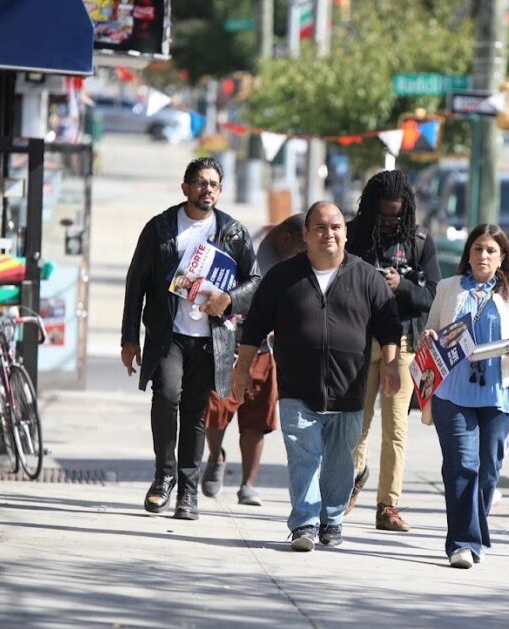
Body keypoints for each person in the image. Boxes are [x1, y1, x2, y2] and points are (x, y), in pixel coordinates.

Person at [232, 202, 402, 552]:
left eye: (336, 227)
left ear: (345, 232)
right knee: (303, 455)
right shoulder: (282, 276)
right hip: (296, 386)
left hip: (349, 388)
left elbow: (389, 327)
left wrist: (389, 365)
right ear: (306, 235)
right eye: (321, 228)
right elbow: (255, 325)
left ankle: (333, 518)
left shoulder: (366, 276)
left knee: (341, 459)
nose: (329, 234)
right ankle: (305, 523)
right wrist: (242, 368)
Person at [121, 157, 260, 520]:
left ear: (221, 191)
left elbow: (256, 281)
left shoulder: (233, 233)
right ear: (185, 188)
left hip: (211, 340)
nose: (207, 190)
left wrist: (228, 299)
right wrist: (129, 338)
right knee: (166, 397)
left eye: (213, 184)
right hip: (169, 335)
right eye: (199, 183)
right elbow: (136, 283)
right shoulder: (161, 228)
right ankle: (163, 475)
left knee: (196, 414)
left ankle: (187, 491)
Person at [420, 224, 509, 569]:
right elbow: (433, 328)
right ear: (468, 254)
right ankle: (462, 543)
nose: (483, 256)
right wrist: (428, 335)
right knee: (461, 465)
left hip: (499, 391)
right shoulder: (449, 287)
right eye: (478, 249)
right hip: (453, 390)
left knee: (488, 470)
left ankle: (474, 526)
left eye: (491, 251)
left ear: (502, 258)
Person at [344, 170, 440, 532]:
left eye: (395, 216)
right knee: (355, 423)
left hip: (401, 344)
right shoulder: (351, 234)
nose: (388, 222)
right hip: (357, 340)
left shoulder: (419, 241)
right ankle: (351, 478)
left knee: (396, 428)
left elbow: (432, 295)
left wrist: (400, 286)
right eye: (382, 215)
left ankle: (388, 505)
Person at [200, 215, 307, 505]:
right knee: (215, 409)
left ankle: (248, 484)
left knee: (257, 419)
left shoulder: (295, 266)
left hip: (263, 349)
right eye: (300, 249)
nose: (303, 257)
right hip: (228, 341)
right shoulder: (246, 247)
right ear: (286, 238)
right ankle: (215, 456)